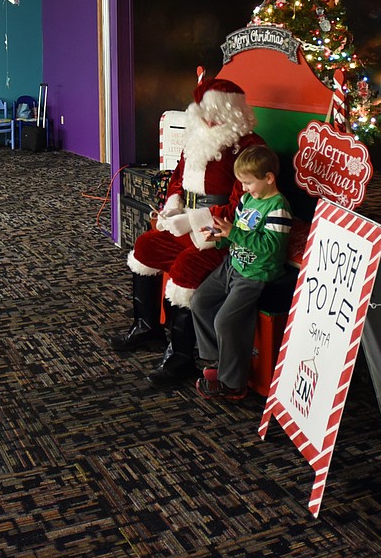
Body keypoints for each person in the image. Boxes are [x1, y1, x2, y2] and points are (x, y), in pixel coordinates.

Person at [113, 77, 265, 388]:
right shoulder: (196, 139)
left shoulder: (249, 148)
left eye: (215, 111)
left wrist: (193, 221)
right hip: (187, 220)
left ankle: (182, 357)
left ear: (232, 113)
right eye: (204, 111)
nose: (208, 118)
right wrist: (171, 206)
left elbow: (242, 205)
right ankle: (147, 326)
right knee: (145, 247)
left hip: (221, 234)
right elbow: (178, 179)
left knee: (186, 268)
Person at [190, 145, 294, 401]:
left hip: (256, 274)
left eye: (248, 183)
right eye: (242, 183)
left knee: (225, 321)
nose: (244, 189)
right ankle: (215, 360)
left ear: (269, 178)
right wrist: (220, 237)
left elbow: (270, 249)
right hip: (233, 264)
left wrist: (233, 234)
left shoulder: (278, 206)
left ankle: (232, 384)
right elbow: (236, 233)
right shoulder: (248, 200)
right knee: (199, 301)